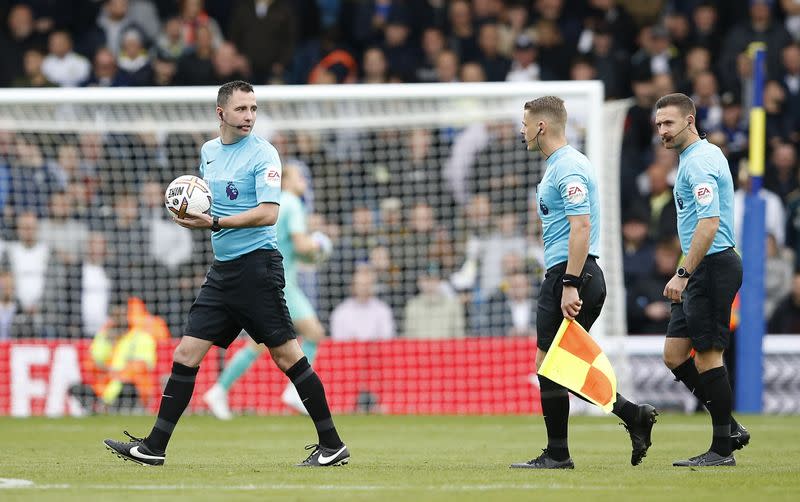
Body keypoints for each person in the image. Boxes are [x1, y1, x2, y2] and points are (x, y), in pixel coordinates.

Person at [103, 81, 348, 468]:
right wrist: (190, 214)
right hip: (223, 271)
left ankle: (331, 445)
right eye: (241, 109)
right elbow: (208, 204)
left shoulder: (265, 154)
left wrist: (214, 221)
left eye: (253, 108)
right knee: (186, 353)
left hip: (257, 268)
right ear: (221, 113)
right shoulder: (209, 152)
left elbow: (269, 213)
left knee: (288, 357)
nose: (249, 116)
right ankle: (154, 447)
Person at [510, 96, 657, 470]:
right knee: (559, 365)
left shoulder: (568, 167)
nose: (522, 130)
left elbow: (582, 225)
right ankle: (631, 415)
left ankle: (559, 453)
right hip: (573, 272)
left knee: (549, 364)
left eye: (525, 123)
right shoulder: (559, 165)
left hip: (572, 274)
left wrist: (570, 283)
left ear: (541, 126)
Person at [655, 92, 748, 467]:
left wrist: (682, 273)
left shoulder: (700, 163)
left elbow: (709, 224)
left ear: (690, 121)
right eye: (659, 124)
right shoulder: (694, 159)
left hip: (710, 265)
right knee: (675, 355)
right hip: (701, 267)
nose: (662, 131)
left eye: (669, 123)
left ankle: (722, 449)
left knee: (709, 357)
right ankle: (732, 427)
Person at [203, 162, 331, 418]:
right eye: (299, 176)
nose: (304, 180)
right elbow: (302, 245)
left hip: (267, 277)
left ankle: (219, 390)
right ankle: (295, 392)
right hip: (282, 282)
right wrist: (321, 244)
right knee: (314, 332)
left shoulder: (278, 204)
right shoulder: (292, 202)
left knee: (259, 343)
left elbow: (292, 250)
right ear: (286, 181)